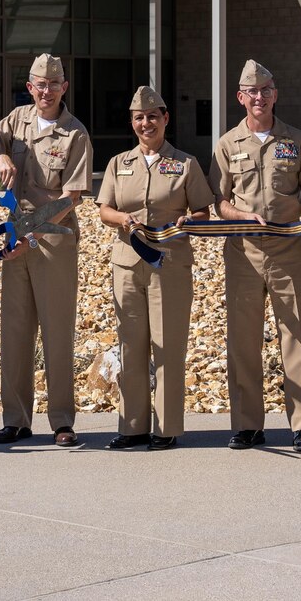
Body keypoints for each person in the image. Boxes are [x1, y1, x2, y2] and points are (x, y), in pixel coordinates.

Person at [0, 53, 93, 448]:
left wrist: (30, 235)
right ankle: (16, 420)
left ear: (64, 87)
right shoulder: (16, 120)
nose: (46, 91)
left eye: (53, 84)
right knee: (15, 332)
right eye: (39, 85)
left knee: (57, 333)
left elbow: (71, 198)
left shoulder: (75, 133)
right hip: (15, 238)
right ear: (30, 87)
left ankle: (61, 421)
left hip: (51, 240)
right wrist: (2, 155)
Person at [209, 59, 301, 453]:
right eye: (251, 92)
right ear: (241, 98)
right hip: (243, 251)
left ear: (276, 95)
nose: (259, 98)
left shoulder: (296, 140)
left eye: (266, 91)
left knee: (296, 336)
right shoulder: (227, 144)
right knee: (243, 338)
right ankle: (247, 424)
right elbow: (219, 203)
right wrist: (241, 215)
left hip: (289, 250)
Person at [96, 86, 214, 451]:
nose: (146, 123)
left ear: (165, 119)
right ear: (132, 123)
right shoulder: (119, 163)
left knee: (167, 345)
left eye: (152, 117)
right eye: (139, 118)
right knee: (130, 344)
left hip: (169, 264)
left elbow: (202, 212)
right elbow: (104, 210)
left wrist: (184, 221)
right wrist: (123, 218)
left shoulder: (186, 163)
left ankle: (166, 427)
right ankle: (132, 426)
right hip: (128, 264)